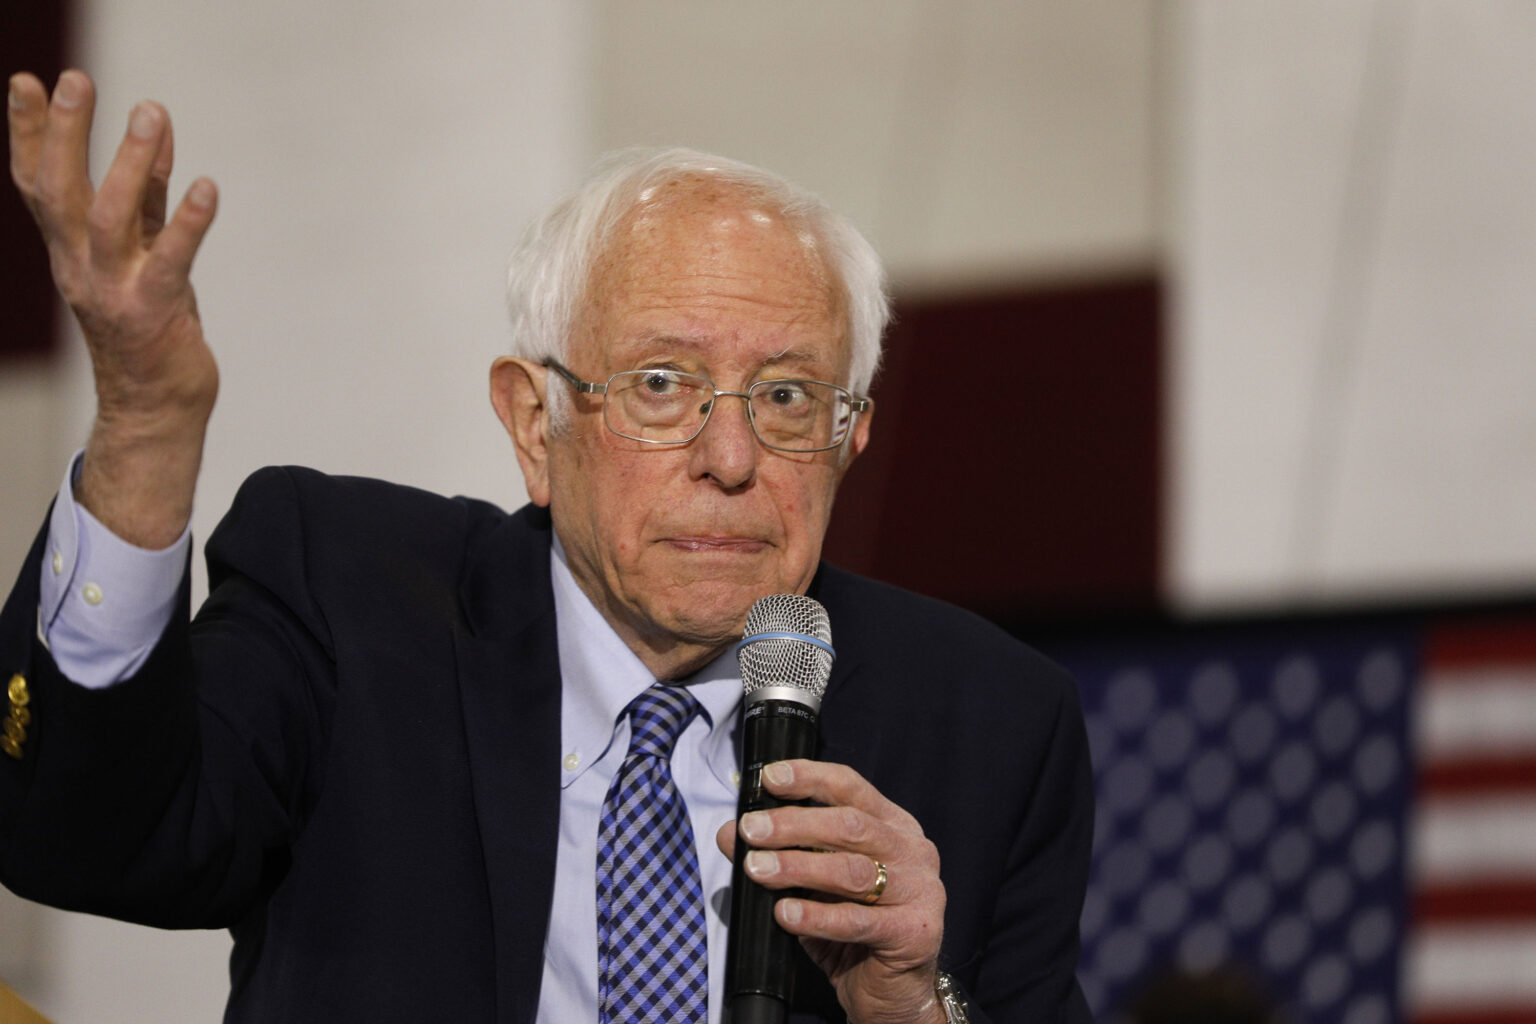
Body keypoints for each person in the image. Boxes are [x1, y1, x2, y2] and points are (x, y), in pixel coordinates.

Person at [0, 69, 1094, 1023]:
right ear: (535, 423)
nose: (728, 456)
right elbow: (86, 834)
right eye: (660, 385)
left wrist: (909, 1009)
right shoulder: (356, 599)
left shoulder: (988, 722)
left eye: (788, 395)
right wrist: (143, 426)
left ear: (852, 436)